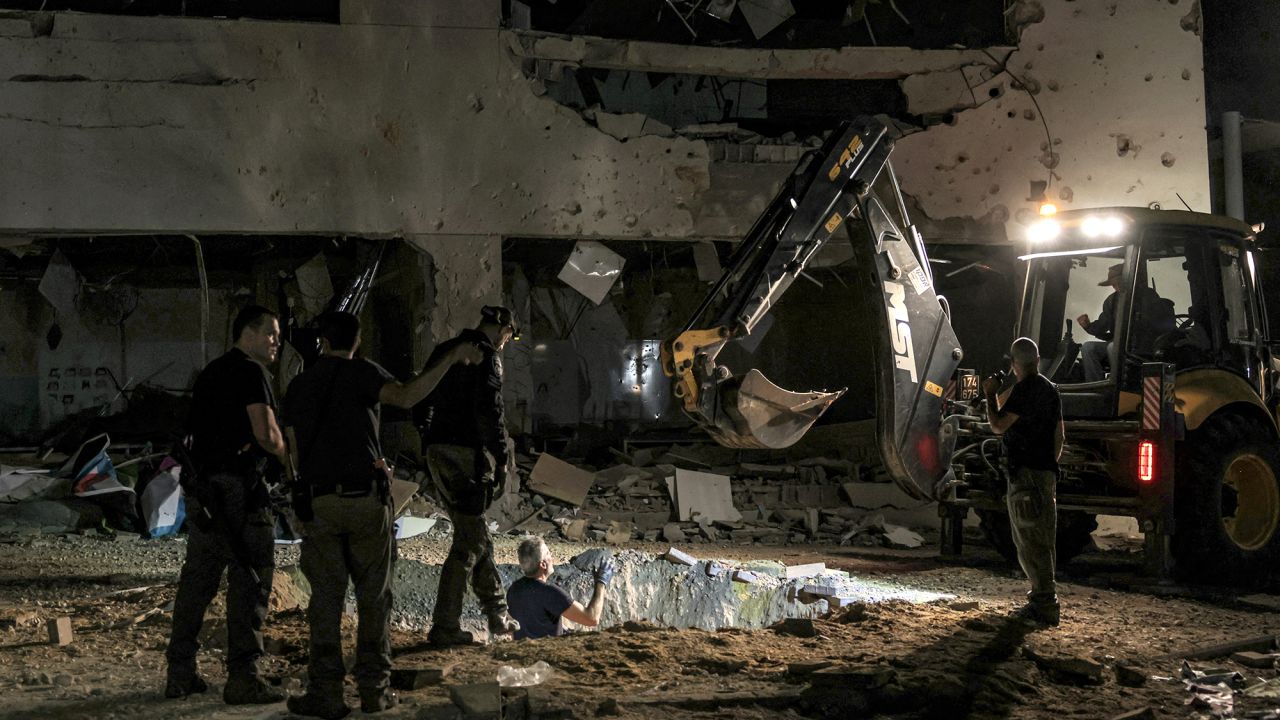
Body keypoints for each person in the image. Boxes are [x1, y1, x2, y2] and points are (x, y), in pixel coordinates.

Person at [282, 311, 481, 719]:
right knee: (374, 598)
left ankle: (326, 692)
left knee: (325, 600)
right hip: (365, 501)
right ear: (356, 343)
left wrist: (297, 496)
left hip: (319, 501)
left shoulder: (301, 384)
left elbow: (290, 448)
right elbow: (407, 397)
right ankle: (374, 690)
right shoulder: (363, 373)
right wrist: (450, 358)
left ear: (322, 341)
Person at [164, 305, 290, 704]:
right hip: (240, 491)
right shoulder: (251, 372)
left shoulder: (211, 374)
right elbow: (267, 434)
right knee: (251, 581)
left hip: (207, 494)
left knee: (197, 583)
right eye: (270, 333)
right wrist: (289, 459)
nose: (277, 341)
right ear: (247, 333)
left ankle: (180, 673)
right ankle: (244, 677)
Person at [416, 305, 522, 646]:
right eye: (509, 335)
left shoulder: (444, 350)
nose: (507, 341)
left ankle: (497, 614)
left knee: (473, 530)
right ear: (503, 328)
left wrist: (427, 440)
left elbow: (421, 397)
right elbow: (490, 411)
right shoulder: (488, 357)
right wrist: (502, 459)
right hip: (463, 454)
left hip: (437, 451)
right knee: (469, 542)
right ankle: (444, 626)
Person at [983, 337, 1065, 627]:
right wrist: (1047, 468)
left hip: (1026, 475)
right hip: (1043, 473)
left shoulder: (1025, 390)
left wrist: (990, 395)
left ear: (1014, 364)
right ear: (1038, 360)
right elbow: (1059, 437)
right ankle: (1042, 599)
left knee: (1030, 541)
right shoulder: (1050, 390)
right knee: (1040, 538)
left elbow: (997, 425)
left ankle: (1044, 603)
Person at [1077, 263, 1175, 381]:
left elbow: (1154, 325)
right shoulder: (1111, 301)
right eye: (1114, 284)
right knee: (1088, 348)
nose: (1116, 287)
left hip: (1142, 347)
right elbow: (1102, 325)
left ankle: (1118, 384)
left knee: (1113, 347)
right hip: (1119, 344)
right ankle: (1094, 387)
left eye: (1119, 283)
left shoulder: (1148, 296)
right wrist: (1088, 326)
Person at [507, 538, 615, 640]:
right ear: (543, 564)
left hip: (522, 655)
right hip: (545, 656)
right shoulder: (549, 592)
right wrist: (601, 581)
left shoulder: (513, 589)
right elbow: (592, 618)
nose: (551, 556)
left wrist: (561, 628)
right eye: (548, 553)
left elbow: (534, 620)